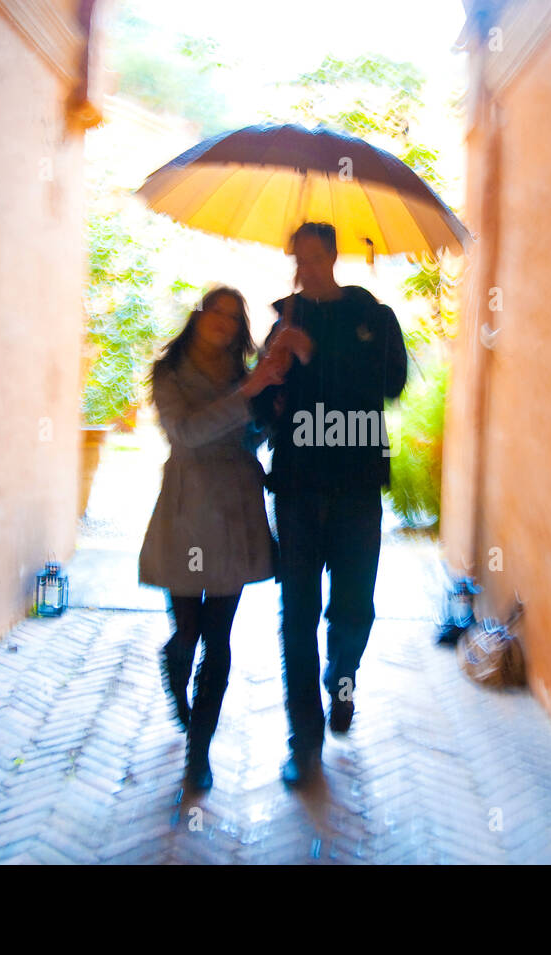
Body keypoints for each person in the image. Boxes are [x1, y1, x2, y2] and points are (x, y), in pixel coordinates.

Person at [250, 222, 408, 788]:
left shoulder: (376, 319)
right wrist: (273, 375)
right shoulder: (284, 322)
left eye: (315, 258)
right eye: (299, 259)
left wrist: (316, 353)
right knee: (296, 616)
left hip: (357, 487)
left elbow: (389, 385)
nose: (306, 269)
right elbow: (265, 411)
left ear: (333, 256)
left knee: (353, 607)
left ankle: (343, 680)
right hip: (296, 489)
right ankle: (304, 742)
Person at [138, 286, 288, 791]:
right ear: (199, 317)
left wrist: (270, 401)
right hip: (186, 509)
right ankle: (175, 669)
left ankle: (198, 751)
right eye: (216, 311)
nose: (224, 322)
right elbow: (184, 435)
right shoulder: (170, 373)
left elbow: (250, 437)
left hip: (234, 511)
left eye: (234, 315)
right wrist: (246, 397)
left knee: (219, 638)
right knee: (187, 631)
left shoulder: (246, 375)